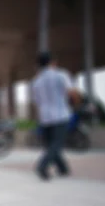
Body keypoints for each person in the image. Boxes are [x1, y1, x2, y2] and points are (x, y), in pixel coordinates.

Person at [30, 52, 76, 180]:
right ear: (52, 62)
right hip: (61, 114)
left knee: (51, 145)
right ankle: (42, 166)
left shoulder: (36, 81)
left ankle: (63, 169)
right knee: (56, 144)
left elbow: (36, 101)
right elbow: (71, 92)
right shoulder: (61, 75)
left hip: (45, 117)